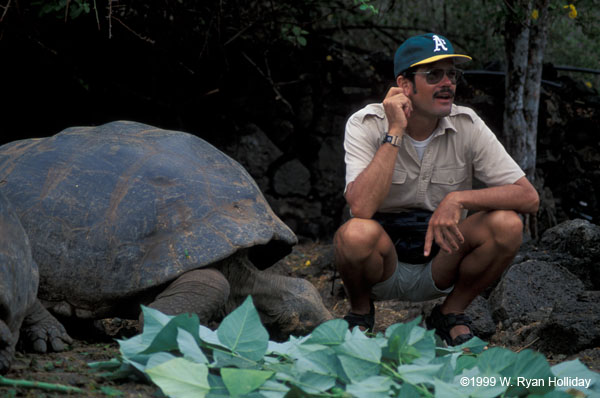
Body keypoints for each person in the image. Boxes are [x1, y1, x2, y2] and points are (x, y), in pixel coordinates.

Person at [334, 33, 540, 346]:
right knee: (354, 234)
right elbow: (361, 207)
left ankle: (450, 314)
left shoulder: (467, 125)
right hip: (382, 262)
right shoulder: (366, 123)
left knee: (507, 225)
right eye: (434, 75)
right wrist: (395, 132)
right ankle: (361, 313)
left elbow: (528, 197)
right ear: (405, 86)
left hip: (442, 259)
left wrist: (458, 199)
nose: (448, 83)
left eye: (452, 74)